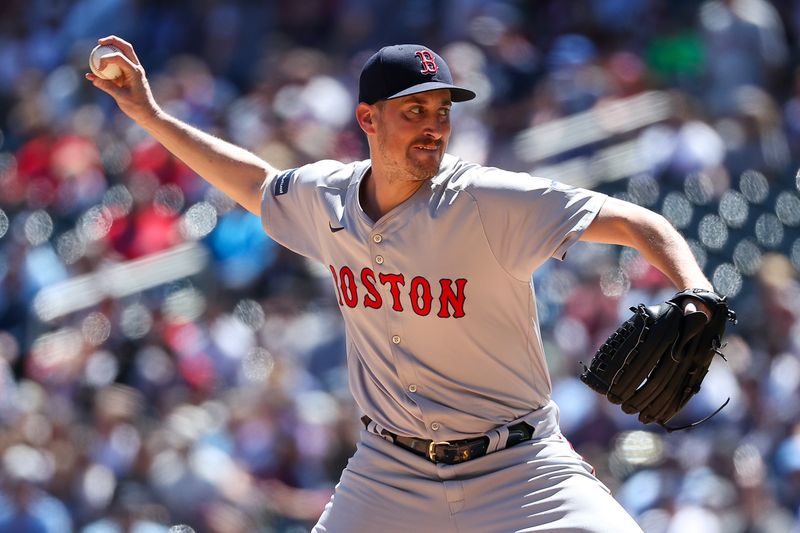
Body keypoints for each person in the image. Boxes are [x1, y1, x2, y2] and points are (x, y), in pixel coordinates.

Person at [88, 37, 713, 532]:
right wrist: (150, 114)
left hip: (521, 469)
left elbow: (636, 222)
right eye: (413, 110)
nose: (433, 126)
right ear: (367, 118)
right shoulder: (326, 196)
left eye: (441, 112)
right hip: (389, 473)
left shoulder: (488, 200)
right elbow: (254, 184)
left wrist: (697, 290)